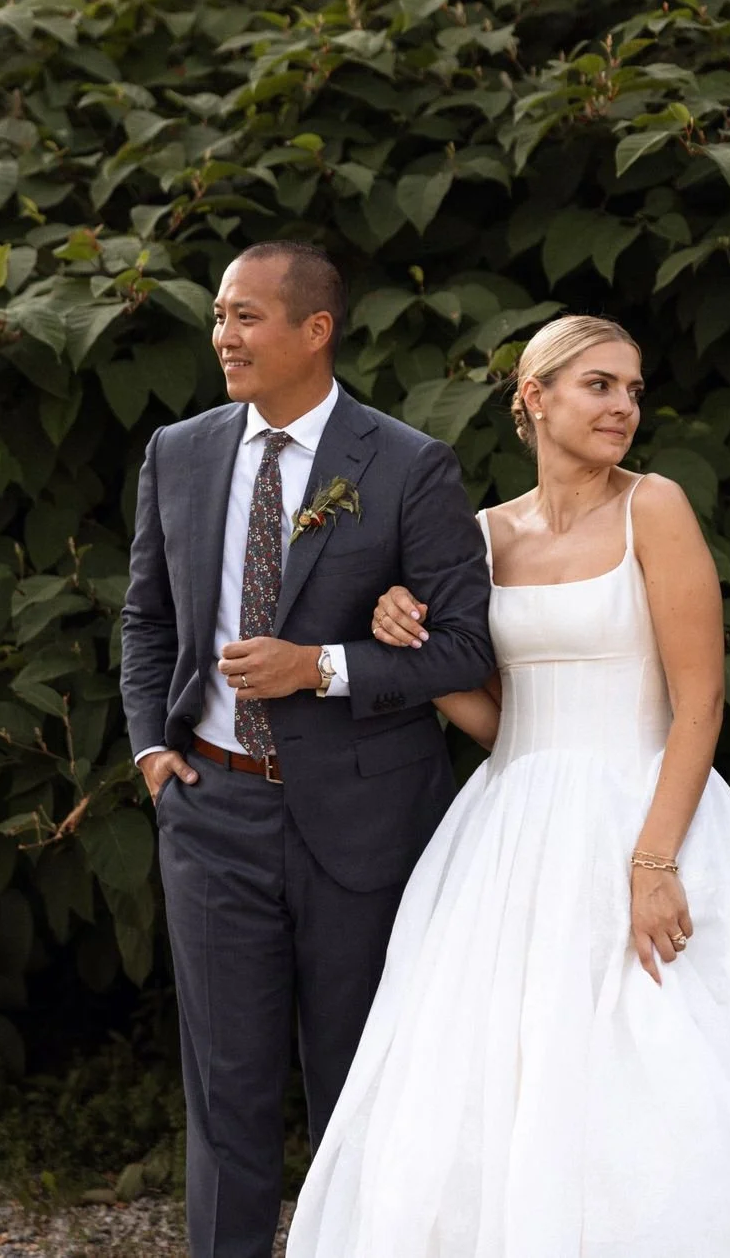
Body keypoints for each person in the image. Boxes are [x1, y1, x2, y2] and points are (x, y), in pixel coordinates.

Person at [285, 314, 730, 1258]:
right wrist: (407, 639)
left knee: (658, 1069)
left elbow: (700, 703)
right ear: (533, 397)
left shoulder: (652, 506)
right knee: (498, 1076)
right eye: (600, 385)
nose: (624, 406)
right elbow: (503, 719)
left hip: (647, 807)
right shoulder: (483, 535)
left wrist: (654, 858)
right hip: (511, 830)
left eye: (633, 389)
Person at [119, 241, 495, 1258]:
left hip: (366, 819)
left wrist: (319, 666)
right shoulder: (180, 450)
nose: (222, 336)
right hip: (210, 810)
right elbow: (146, 618)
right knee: (225, 1093)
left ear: (314, 329)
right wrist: (154, 753)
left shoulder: (410, 462)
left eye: (245, 316)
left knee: (360, 1089)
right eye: (218, 316)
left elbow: (464, 647)